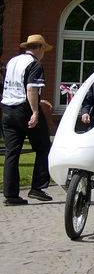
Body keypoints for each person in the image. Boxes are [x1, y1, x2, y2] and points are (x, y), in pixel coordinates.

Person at [3, 35, 55, 205]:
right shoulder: (35, 64)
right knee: (43, 147)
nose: (44, 53)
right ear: (40, 47)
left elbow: (15, 87)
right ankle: (37, 188)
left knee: (12, 153)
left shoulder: (13, 61)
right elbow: (31, 88)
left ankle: (10, 195)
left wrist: (39, 101)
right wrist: (35, 111)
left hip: (8, 109)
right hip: (24, 109)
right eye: (44, 49)